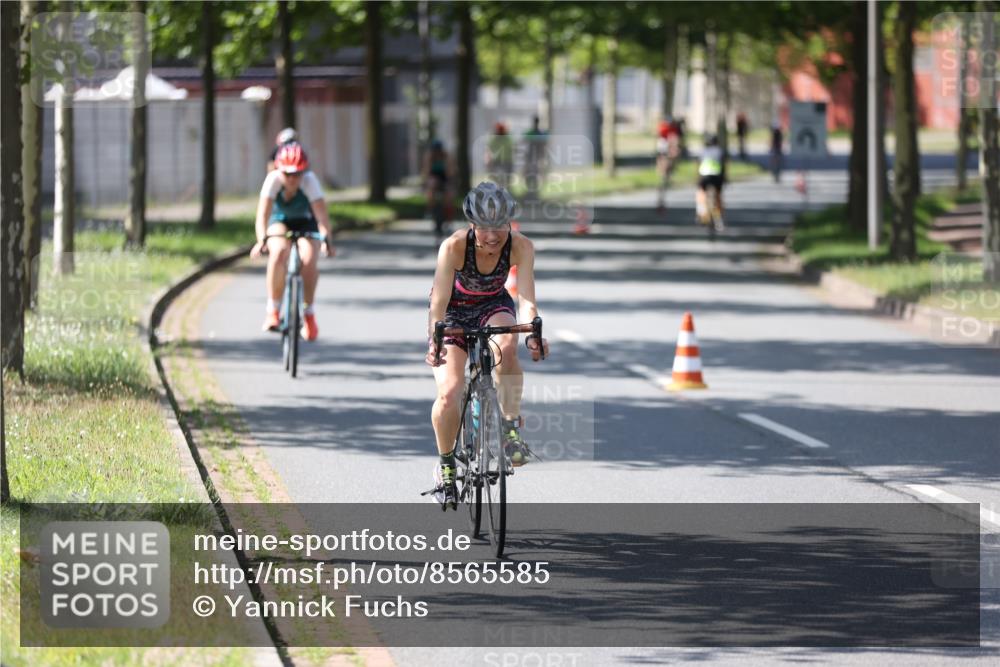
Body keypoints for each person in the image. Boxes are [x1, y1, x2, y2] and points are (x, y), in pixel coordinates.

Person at [425, 181, 549, 508]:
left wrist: (533, 333)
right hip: (453, 312)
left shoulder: (521, 246)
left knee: (507, 347)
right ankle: (446, 466)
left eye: (499, 226)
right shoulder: (453, 247)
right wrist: (435, 339)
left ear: (509, 223)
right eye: (484, 227)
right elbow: (438, 302)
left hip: (493, 306)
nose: (492, 236)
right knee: (449, 393)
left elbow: (526, 299)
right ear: (471, 224)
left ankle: (510, 429)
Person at [251, 142, 333, 340]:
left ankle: (309, 314)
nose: (292, 179)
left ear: (304, 171)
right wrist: (261, 240)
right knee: (279, 251)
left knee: (309, 258)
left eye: (297, 174)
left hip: (306, 222)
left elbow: (322, 218)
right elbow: (262, 216)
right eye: (287, 174)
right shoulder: (272, 181)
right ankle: (273, 310)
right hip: (279, 221)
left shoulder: (310, 182)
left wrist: (326, 240)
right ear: (278, 170)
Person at [421, 139, 455, 242]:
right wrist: (425, 182)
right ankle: (430, 209)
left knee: (449, 194)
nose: (437, 152)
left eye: (438, 150)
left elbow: (450, 172)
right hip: (434, 177)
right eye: (435, 150)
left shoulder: (446, 156)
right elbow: (426, 172)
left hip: (445, 177)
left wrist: (449, 181)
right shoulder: (429, 157)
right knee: (431, 186)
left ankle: (448, 216)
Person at [696, 135, 725, 228]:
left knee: (701, 193)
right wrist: (725, 178)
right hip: (717, 176)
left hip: (704, 176)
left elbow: (698, 166)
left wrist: (697, 179)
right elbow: (724, 166)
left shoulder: (702, 151)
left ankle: (702, 214)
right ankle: (718, 218)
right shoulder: (720, 151)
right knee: (718, 196)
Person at [655, 119, 682, 212]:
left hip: (664, 159)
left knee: (663, 182)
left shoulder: (664, 135)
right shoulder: (670, 135)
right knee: (663, 181)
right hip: (665, 159)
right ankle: (660, 202)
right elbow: (673, 151)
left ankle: (661, 202)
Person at [522, 115, 548, 200]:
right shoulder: (541, 133)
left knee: (531, 173)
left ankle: (532, 191)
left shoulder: (532, 133)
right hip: (535, 156)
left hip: (533, 156)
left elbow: (523, 141)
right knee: (533, 173)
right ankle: (532, 191)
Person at [485, 121, 514, 190]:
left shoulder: (508, 139)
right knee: (496, 176)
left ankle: (505, 189)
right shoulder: (494, 139)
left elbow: (513, 149)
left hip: (507, 161)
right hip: (498, 161)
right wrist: (488, 160)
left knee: (507, 178)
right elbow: (489, 150)